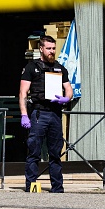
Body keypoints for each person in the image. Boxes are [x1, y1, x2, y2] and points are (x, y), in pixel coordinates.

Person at [19, 35, 73, 193]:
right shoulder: (31, 67)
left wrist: (66, 98)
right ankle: (32, 186)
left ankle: (57, 187)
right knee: (34, 150)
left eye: (54, 49)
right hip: (39, 113)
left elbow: (69, 89)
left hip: (55, 113)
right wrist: (24, 115)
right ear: (41, 49)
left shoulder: (59, 68)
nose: (52, 52)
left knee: (55, 152)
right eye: (49, 49)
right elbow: (23, 93)